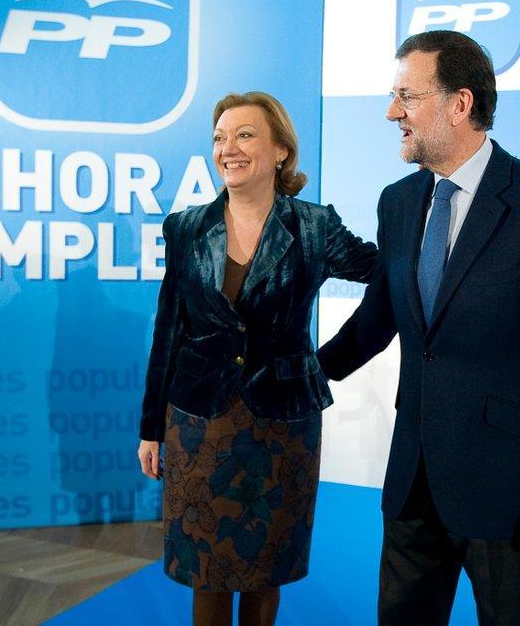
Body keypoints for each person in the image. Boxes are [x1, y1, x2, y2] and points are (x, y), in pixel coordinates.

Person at [317, 30, 520, 626]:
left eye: (407, 96)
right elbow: (379, 316)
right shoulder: (398, 201)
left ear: (460, 104)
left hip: (507, 489)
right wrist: (301, 373)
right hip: (413, 479)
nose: (391, 112)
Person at [138, 91, 376, 626]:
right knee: (206, 566)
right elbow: (169, 330)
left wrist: (331, 359)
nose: (229, 149)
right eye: (220, 138)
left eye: (245, 135)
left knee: (267, 565)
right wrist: (150, 428)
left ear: (281, 151)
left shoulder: (314, 226)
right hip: (200, 421)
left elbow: (390, 279)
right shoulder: (185, 228)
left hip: (282, 420)